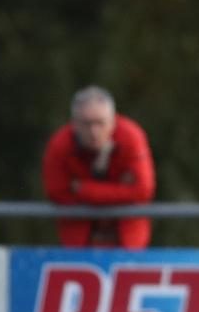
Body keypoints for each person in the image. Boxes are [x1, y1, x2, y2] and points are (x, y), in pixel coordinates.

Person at [42, 86, 156, 248]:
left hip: (129, 241)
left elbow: (143, 191)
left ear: (113, 121)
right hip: (78, 242)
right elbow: (57, 194)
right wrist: (121, 192)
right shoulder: (59, 145)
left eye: (100, 123)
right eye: (87, 123)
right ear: (74, 123)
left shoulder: (131, 137)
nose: (94, 131)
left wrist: (82, 189)